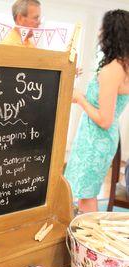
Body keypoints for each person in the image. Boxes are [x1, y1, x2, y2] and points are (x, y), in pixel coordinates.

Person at [65, 9, 129, 213]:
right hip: (100, 139)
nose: (99, 32)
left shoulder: (112, 70)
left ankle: (90, 240)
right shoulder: (124, 65)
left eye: (103, 27)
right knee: (86, 193)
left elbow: (104, 120)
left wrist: (80, 99)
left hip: (95, 139)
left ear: (112, 32)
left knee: (86, 195)